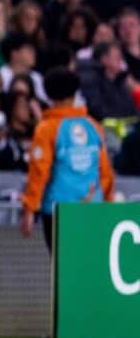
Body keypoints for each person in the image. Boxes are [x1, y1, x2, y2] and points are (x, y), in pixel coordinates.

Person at [21, 67, 115, 252]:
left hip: (58, 211)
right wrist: (108, 205)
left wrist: (29, 209)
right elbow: (105, 171)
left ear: (48, 94)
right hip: (92, 209)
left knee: (62, 270)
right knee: (87, 267)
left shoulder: (46, 129)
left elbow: (39, 172)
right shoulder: (92, 126)